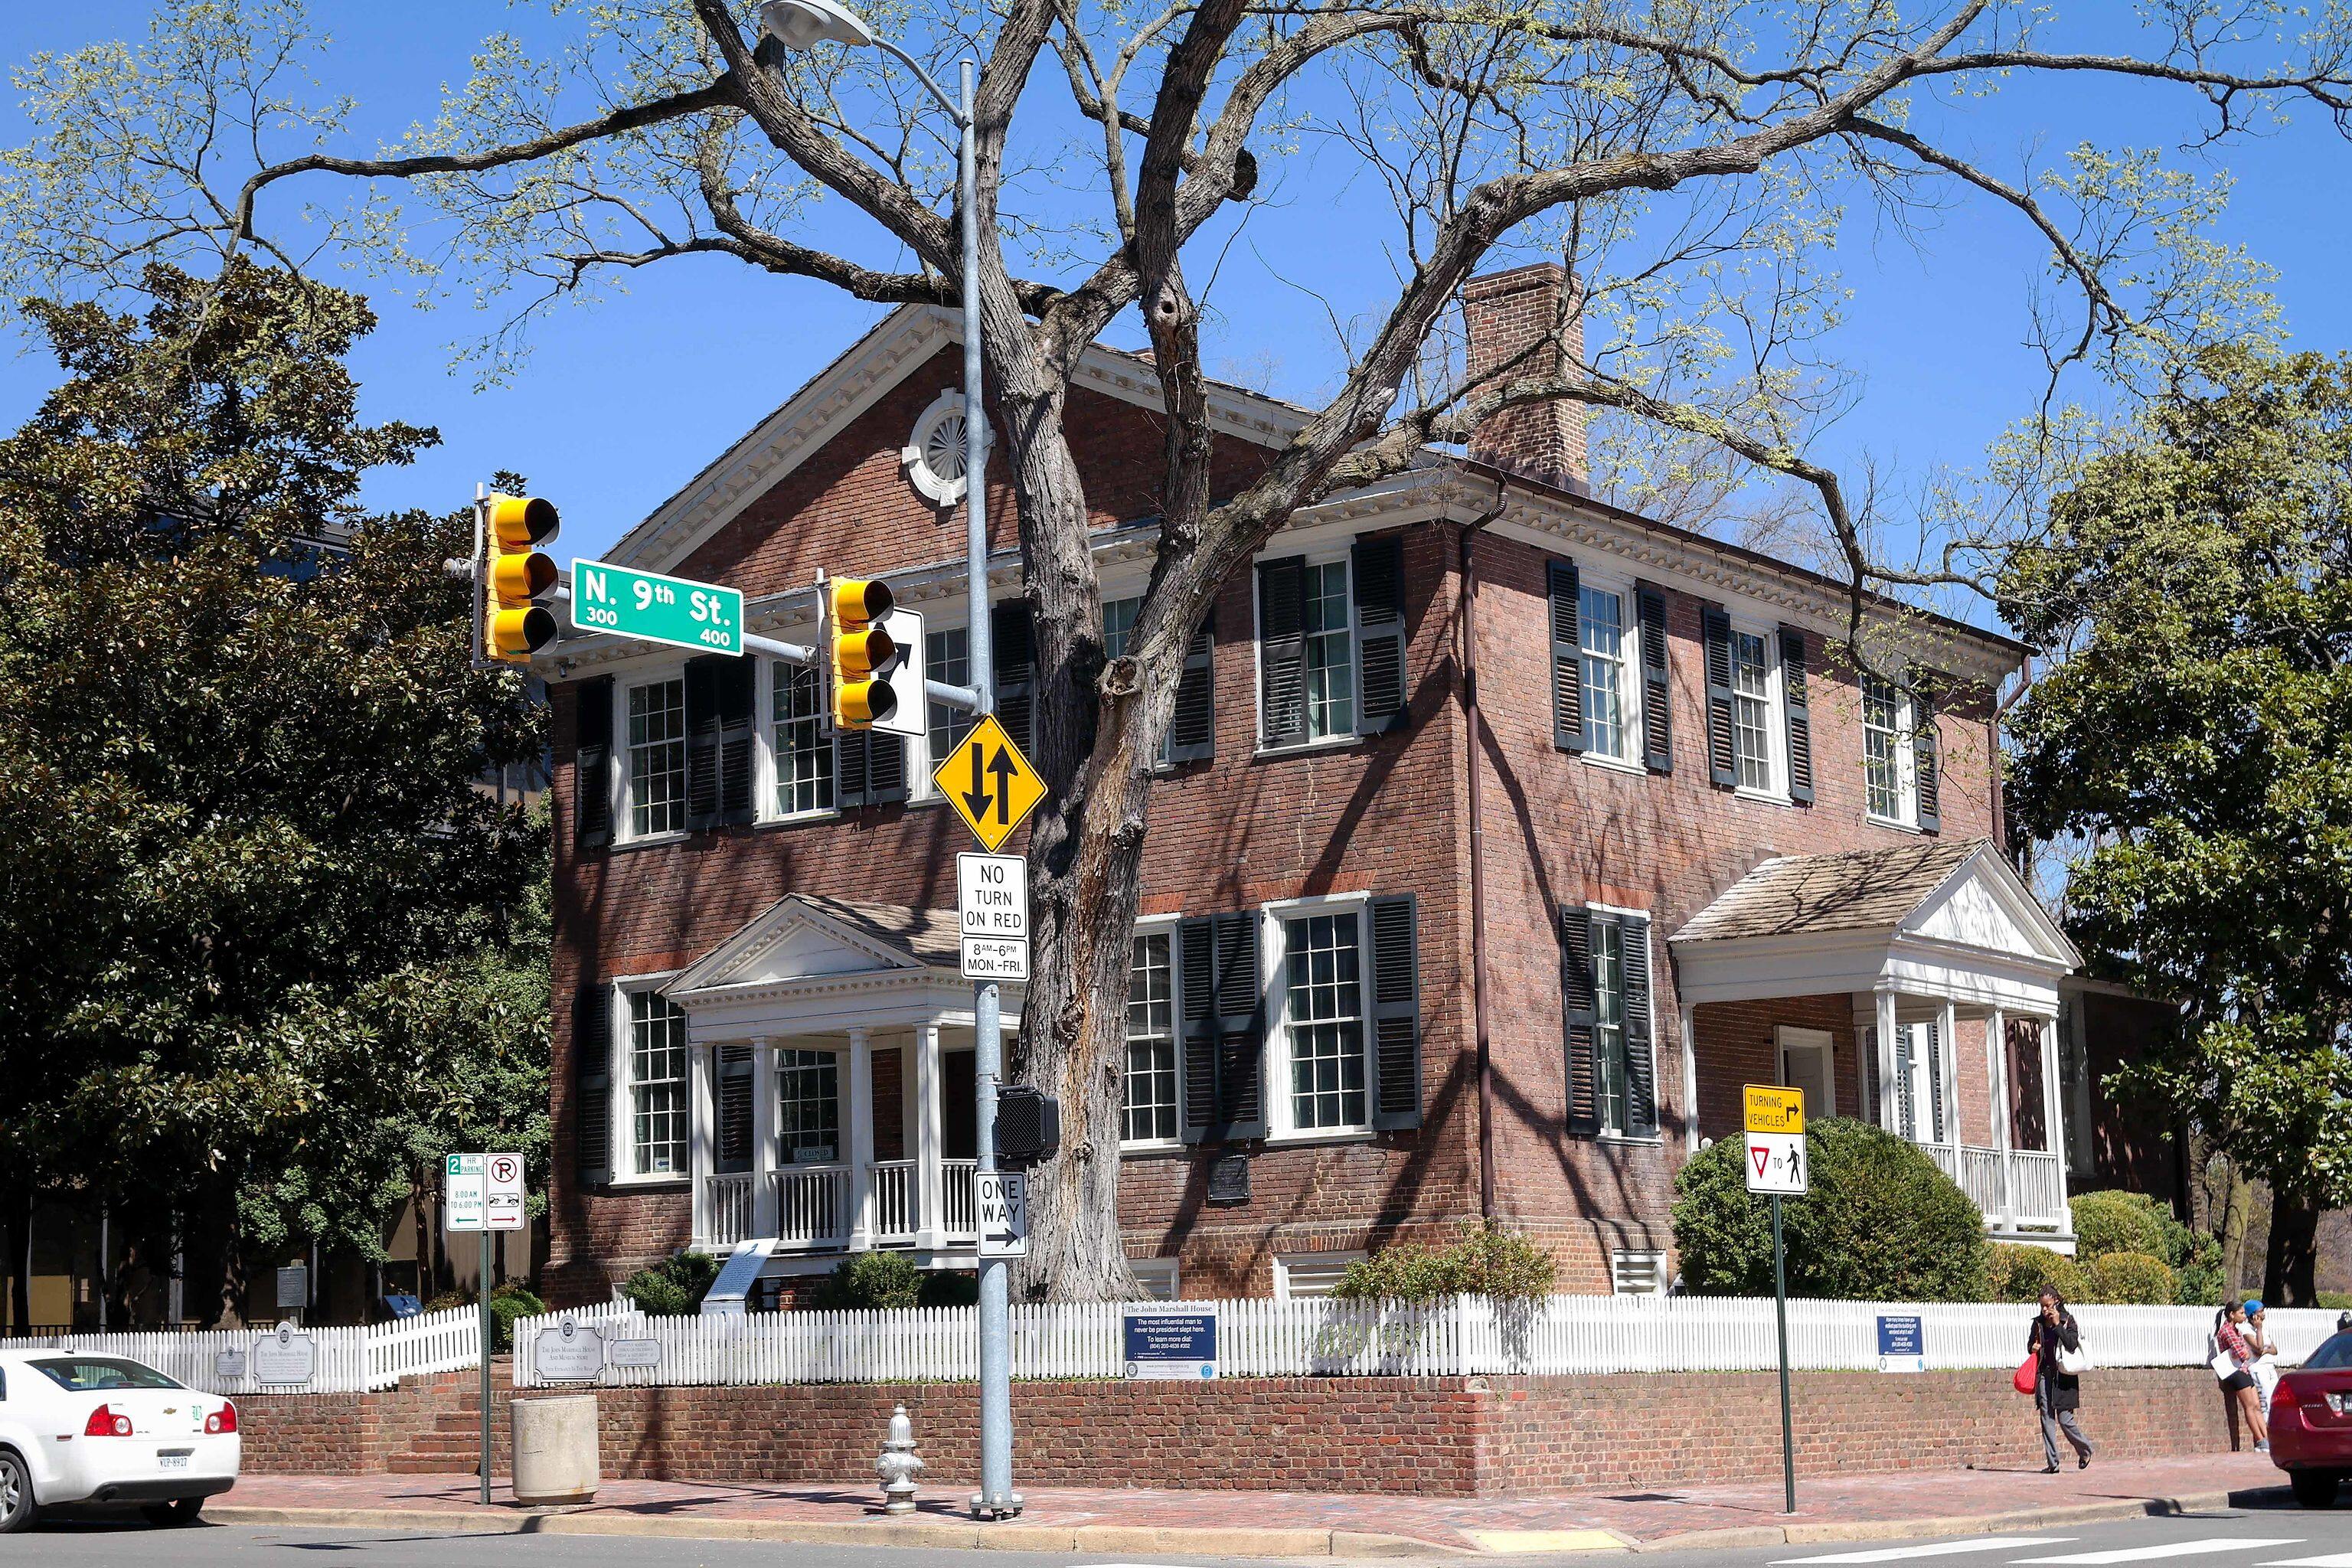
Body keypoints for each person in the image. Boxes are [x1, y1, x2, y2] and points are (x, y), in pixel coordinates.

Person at [2029, 1289, 2094, 1472]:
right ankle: (2053, 1464)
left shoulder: (2067, 1320)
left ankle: (2085, 1449)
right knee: (2046, 1417)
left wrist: (2058, 1324)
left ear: (2056, 1302)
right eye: (2041, 1306)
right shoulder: (2038, 1323)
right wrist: (2032, 1347)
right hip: (2044, 1374)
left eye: (2047, 1305)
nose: (2044, 1310)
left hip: (2063, 1377)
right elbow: (2029, 1345)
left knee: (2065, 1420)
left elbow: (2072, 1344)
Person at [2214, 1298, 2268, 1452]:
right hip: (2236, 1372)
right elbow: (2242, 1353)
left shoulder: (2237, 1330)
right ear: (2232, 1315)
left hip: (2244, 1370)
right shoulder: (2227, 1331)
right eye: (2241, 1313)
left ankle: (2266, 1438)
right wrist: (2245, 1352)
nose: (2245, 1316)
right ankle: (2260, 1439)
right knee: (2249, 1407)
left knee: (2257, 1406)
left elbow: (2246, 1352)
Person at [2245, 1299, 2282, 1416]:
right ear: (2253, 1315)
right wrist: (2258, 1329)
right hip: (2258, 1368)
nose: (2263, 1314)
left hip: (2270, 1367)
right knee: (2265, 1400)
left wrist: (2266, 1351)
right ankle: (2266, 1428)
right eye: (2260, 1312)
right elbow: (2259, 1348)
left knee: (2276, 1398)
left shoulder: (2264, 1329)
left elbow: (2274, 1350)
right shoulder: (2247, 1330)